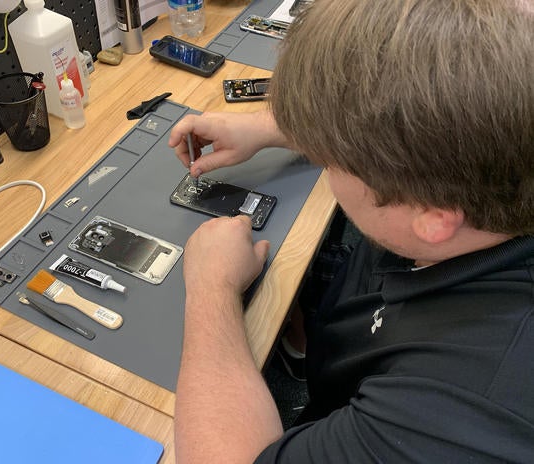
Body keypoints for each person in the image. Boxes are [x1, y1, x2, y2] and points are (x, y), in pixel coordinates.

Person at [168, 0, 534, 462]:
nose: (323, 160)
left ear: (432, 216)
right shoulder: (498, 156)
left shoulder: (459, 412)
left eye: (332, 159)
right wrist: (273, 128)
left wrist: (211, 287)